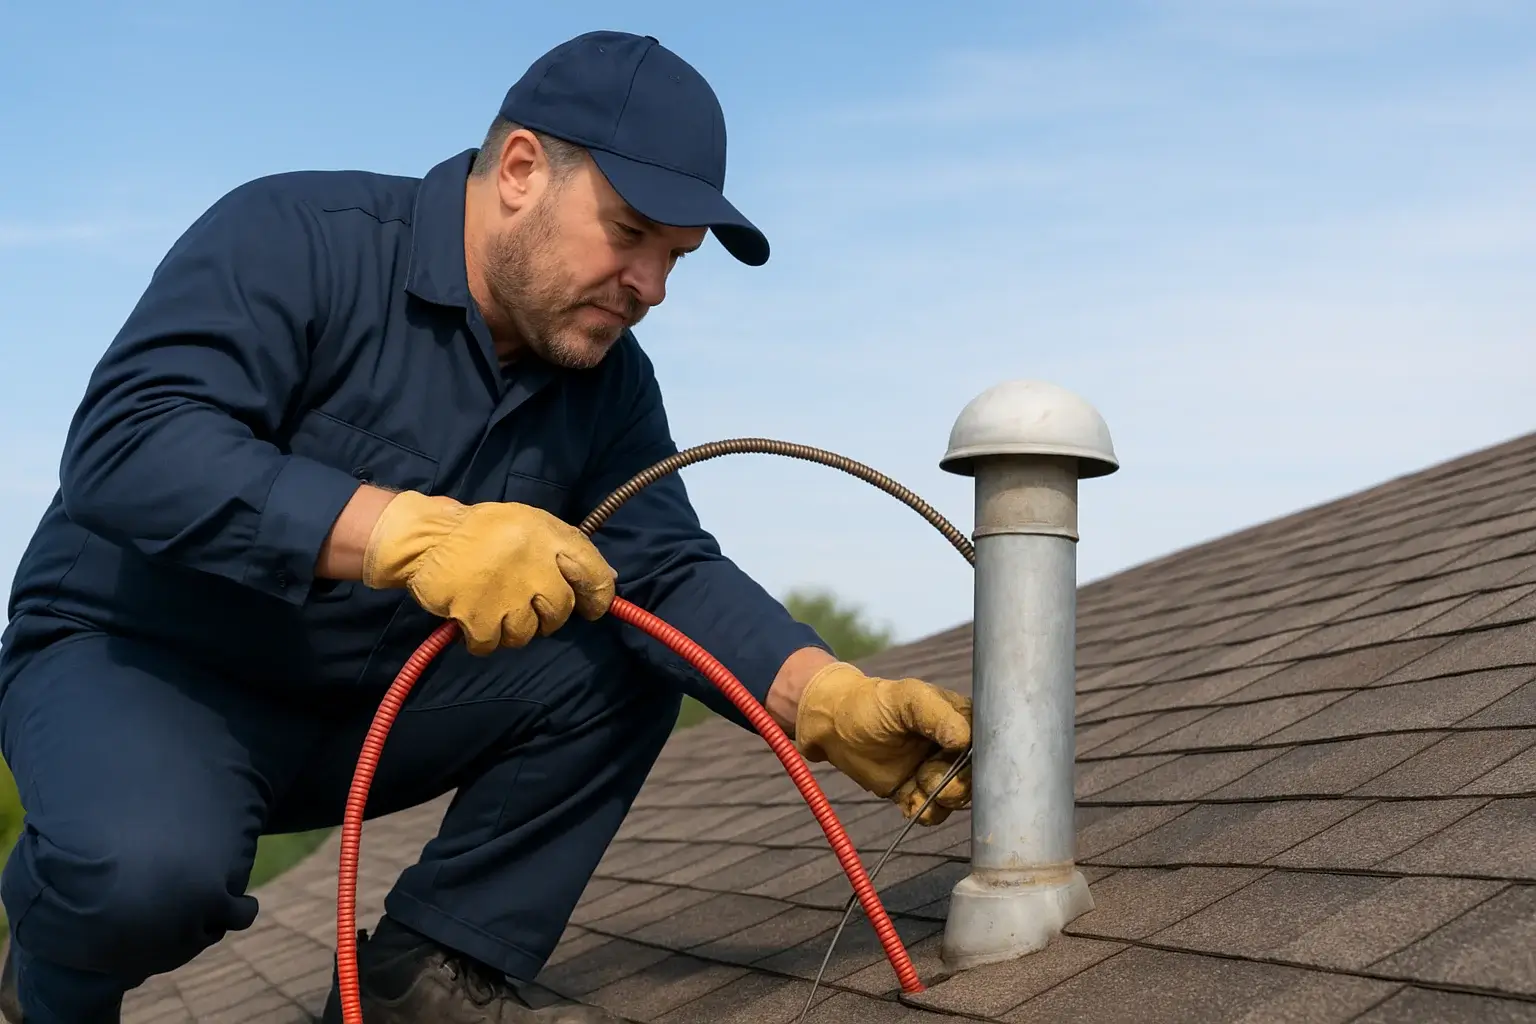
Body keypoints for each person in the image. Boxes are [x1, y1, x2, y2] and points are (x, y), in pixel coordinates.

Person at [0, 30, 973, 1024]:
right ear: (519, 171)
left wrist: (824, 696)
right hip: (143, 669)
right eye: (630, 232)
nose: (653, 286)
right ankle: (43, 983)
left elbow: (667, 568)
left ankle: (424, 975)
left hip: (352, 705)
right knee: (144, 875)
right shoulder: (295, 235)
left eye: (674, 259)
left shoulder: (607, 383)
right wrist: (404, 534)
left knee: (631, 647)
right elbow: (133, 443)